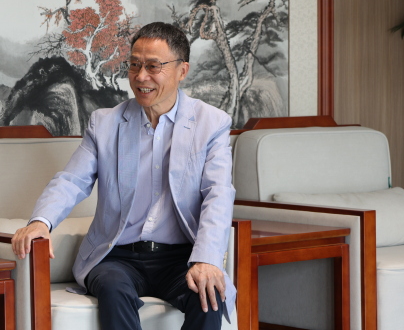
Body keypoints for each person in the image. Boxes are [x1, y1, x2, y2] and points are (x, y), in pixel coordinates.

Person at [12, 22, 236, 330]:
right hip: (116, 257)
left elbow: (218, 194)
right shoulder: (105, 123)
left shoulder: (212, 123)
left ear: (182, 70)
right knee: (114, 289)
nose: (141, 77)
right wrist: (41, 222)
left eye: (153, 66)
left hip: (181, 258)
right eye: (134, 65)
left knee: (209, 297)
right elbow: (72, 180)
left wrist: (207, 259)